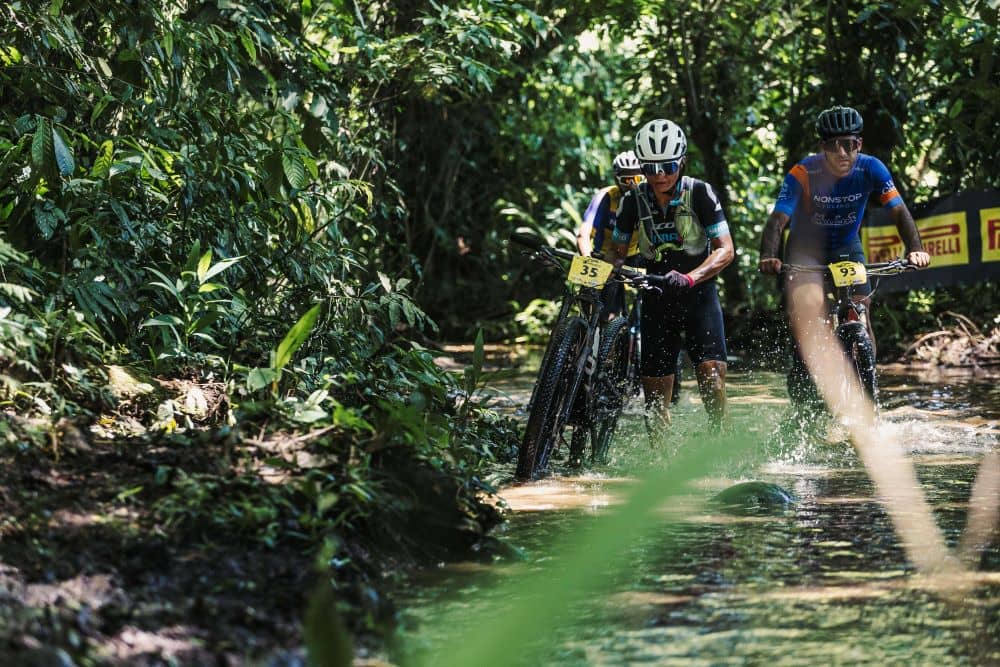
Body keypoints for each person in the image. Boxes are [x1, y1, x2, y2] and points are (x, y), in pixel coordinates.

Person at [758, 105, 930, 403]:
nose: (842, 153)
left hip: (846, 247)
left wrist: (915, 249)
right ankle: (804, 380)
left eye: (849, 144)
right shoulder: (803, 172)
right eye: (832, 145)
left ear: (858, 144)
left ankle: (868, 387)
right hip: (805, 250)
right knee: (810, 308)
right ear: (822, 147)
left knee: (861, 309)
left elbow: (899, 210)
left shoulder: (871, 168)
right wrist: (769, 255)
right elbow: (778, 220)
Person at [611, 119, 735, 431]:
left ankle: (724, 447)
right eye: (650, 168)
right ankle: (661, 469)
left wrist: (692, 276)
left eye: (667, 166)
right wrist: (611, 272)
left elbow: (725, 250)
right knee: (654, 401)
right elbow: (616, 254)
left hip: (699, 295)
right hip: (655, 297)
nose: (660, 175)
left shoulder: (701, 193)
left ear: (681, 162)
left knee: (712, 379)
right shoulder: (631, 201)